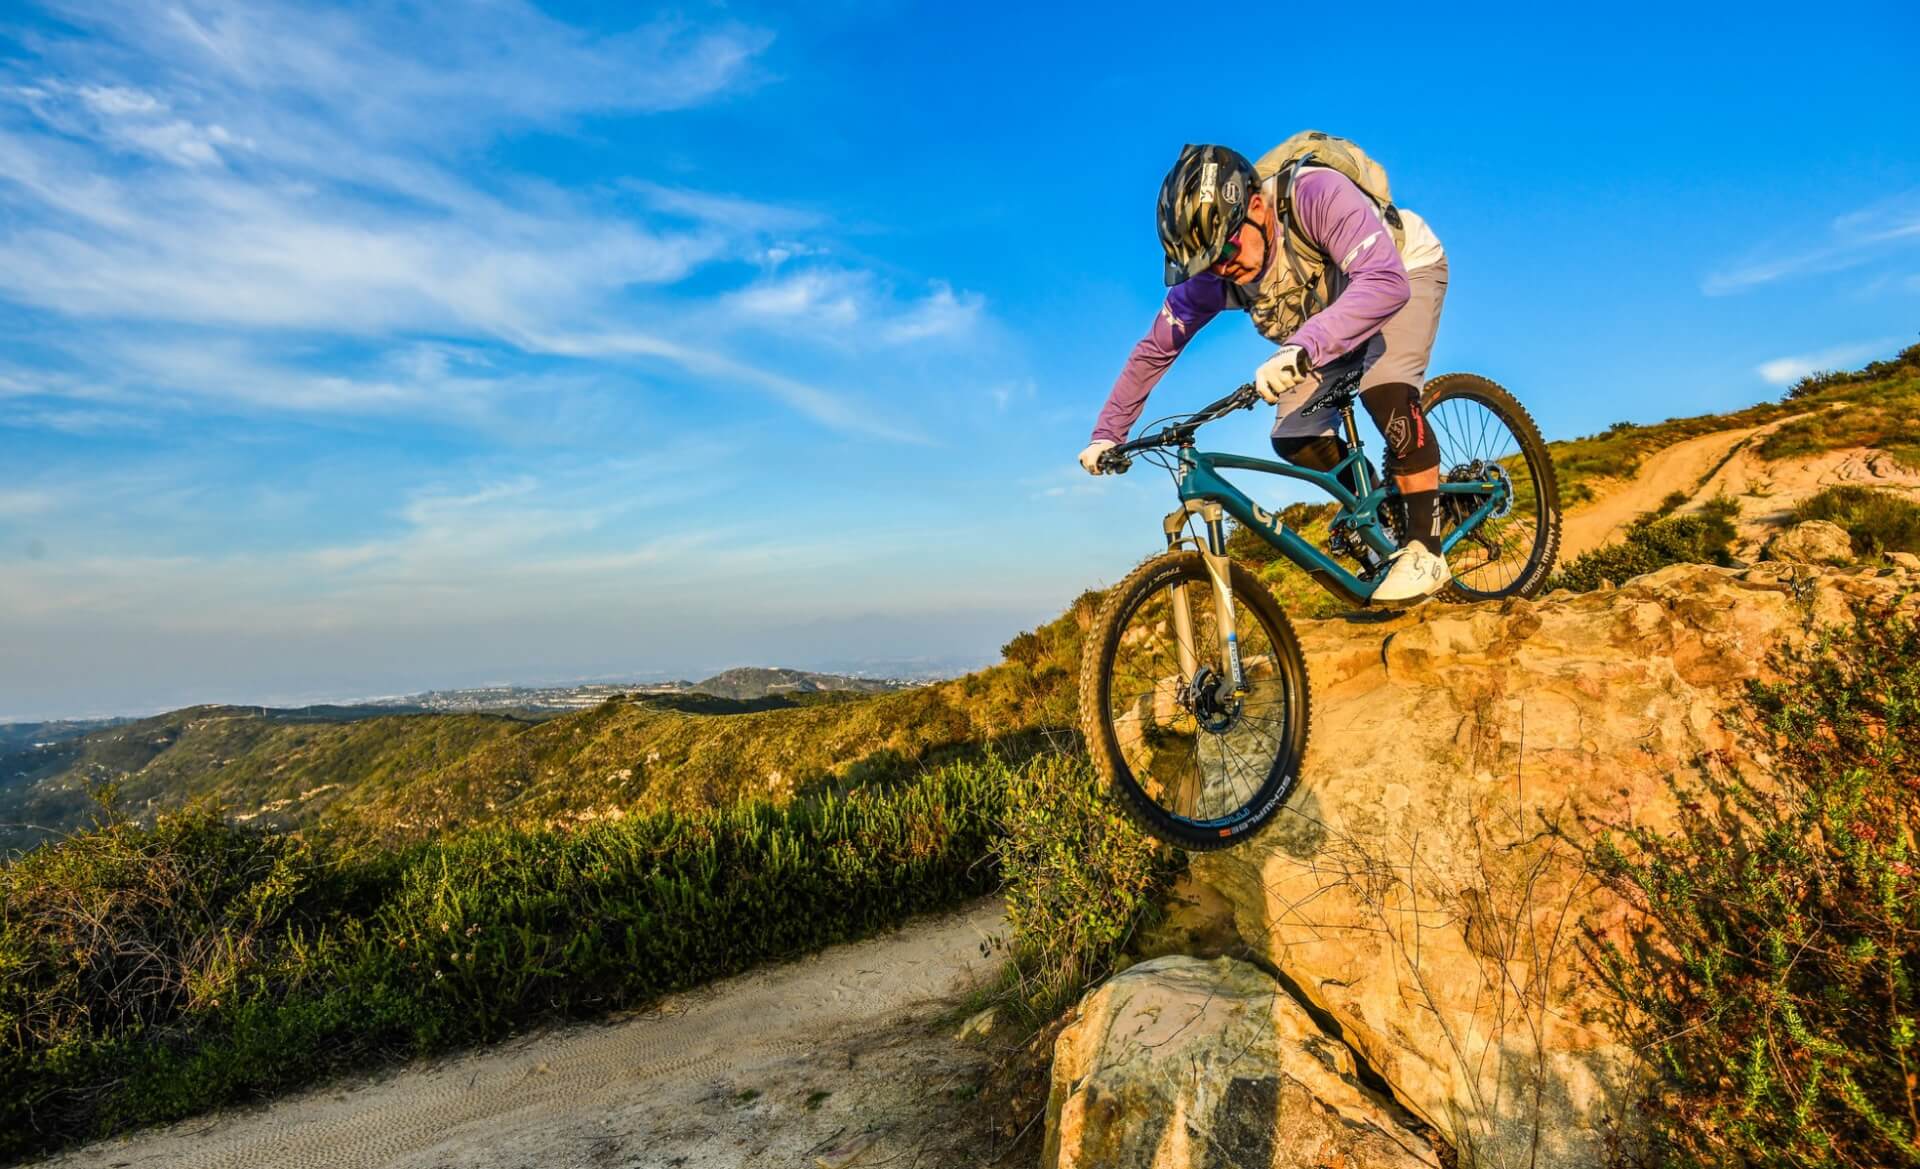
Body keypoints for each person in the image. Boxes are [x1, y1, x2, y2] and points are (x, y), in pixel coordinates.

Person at [1079, 142, 1452, 604]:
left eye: (1226, 248)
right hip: (1328, 320)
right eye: (1207, 262)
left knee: (1385, 390)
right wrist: (1107, 433)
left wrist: (1304, 345)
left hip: (1402, 271)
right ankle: (1385, 516)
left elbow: (1384, 282)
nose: (1222, 267)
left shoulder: (1315, 195)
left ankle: (1425, 550)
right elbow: (1155, 350)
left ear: (1256, 206)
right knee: (1294, 435)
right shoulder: (1214, 275)